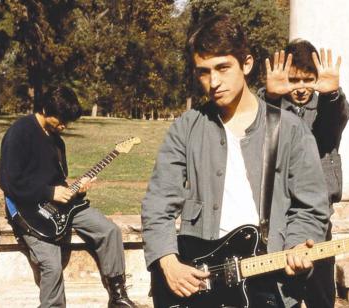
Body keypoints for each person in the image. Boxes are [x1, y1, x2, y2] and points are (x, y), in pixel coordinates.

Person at [141, 15, 330, 307]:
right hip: (201, 283)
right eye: (203, 72)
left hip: (269, 283)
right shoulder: (186, 128)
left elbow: (311, 207)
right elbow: (158, 204)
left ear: (247, 64)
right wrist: (168, 261)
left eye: (223, 68)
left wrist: (297, 245)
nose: (213, 82)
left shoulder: (291, 130)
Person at [0, 86, 137, 308]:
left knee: (109, 231)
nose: (64, 126)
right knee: (52, 265)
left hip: (63, 205)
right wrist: (49, 192)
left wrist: (75, 188)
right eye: (61, 120)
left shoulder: (56, 140)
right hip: (29, 211)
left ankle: (118, 295)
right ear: (45, 109)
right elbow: (8, 181)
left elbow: (57, 180)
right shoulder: (19, 132)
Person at [259, 39, 349, 308]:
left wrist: (331, 94)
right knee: (278, 291)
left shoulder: (325, 107)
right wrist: (272, 97)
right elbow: (258, 126)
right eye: (294, 79)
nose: (300, 88)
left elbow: (337, 117)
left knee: (320, 292)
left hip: (317, 217)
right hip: (277, 214)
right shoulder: (274, 105)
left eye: (308, 79)